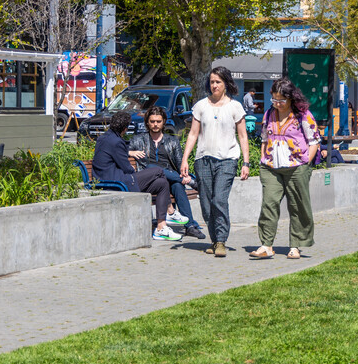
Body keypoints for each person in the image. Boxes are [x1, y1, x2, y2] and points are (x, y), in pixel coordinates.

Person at [180, 66, 250, 257]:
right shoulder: (201, 106)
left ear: (226, 83)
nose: (214, 85)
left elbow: (243, 136)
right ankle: (214, 239)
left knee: (219, 199)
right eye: (212, 82)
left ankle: (221, 240)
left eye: (218, 82)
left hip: (227, 160)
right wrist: (185, 159)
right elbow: (193, 134)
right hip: (203, 159)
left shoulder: (235, 107)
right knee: (205, 203)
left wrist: (246, 162)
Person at [249, 78, 318, 261]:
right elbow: (264, 138)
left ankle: (296, 246)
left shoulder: (303, 115)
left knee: (297, 207)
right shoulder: (269, 114)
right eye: (274, 100)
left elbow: (314, 141)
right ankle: (266, 245)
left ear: (291, 99)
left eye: (281, 100)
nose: (278, 104)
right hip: (271, 168)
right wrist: (264, 159)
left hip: (296, 168)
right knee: (269, 204)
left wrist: (305, 163)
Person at [92, 111, 182, 241]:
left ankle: (161, 228)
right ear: (125, 128)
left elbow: (118, 155)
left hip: (110, 179)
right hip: (117, 183)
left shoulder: (104, 138)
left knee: (162, 184)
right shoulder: (116, 142)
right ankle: (171, 211)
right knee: (157, 171)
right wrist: (134, 169)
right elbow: (126, 168)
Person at [129, 106, 206, 240]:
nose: (155, 124)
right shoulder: (138, 140)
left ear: (164, 122)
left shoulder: (172, 141)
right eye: (152, 121)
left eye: (158, 121)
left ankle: (190, 226)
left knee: (177, 185)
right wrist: (130, 152)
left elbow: (179, 163)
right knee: (154, 167)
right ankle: (192, 182)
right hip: (151, 180)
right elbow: (119, 152)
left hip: (169, 178)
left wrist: (183, 173)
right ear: (147, 122)